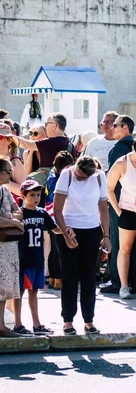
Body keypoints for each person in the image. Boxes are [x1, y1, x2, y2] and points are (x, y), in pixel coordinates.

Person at [53, 156, 110, 335]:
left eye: (82, 177)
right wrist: (65, 232)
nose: (78, 177)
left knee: (89, 278)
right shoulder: (66, 175)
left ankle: (89, 320)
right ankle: (68, 320)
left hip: (91, 230)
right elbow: (57, 210)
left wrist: (106, 235)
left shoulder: (100, 177)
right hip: (69, 228)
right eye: (77, 173)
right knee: (69, 276)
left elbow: (103, 208)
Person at [106, 132, 136, 299]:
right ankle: (123, 286)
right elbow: (109, 188)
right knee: (125, 249)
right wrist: (118, 211)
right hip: (127, 209)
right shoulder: (121, 163)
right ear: (133, 149)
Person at [12, 180, 61, 336]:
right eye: (32, 195)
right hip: (23, 259)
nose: (35, 198)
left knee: (34, 291)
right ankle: (18, 323)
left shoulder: (42, 213)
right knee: (19, 292)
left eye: (38, 195)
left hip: (38, 259)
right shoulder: (20, 214)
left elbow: (55, 229)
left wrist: (68, 230)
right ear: (23, 196)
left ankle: (36, 324)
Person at [101, 114, 136, 295]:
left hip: (120, 204)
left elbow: (112, 184)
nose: (111, 128)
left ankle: (117, 281)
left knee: (118, 242)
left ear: (125, 128)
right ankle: (135, 282)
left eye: (115, 125)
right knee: (135, 246)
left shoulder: (118, 150)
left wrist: (115, 207)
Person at [0, 158, 24, 338]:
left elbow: (19, 211)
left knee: (4, 290)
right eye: (8, 171)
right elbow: (15, 218)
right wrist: (13, 222)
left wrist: (11, 219)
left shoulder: (5, 191)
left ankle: (1, 326)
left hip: (9, 247)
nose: (10, 175)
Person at [44, 151, 75, 290]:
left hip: (50, 215)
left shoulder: (51, 175)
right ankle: (58, 279)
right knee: (59, 249)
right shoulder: (59, 179)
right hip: (59, 216)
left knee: (54, 249)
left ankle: (52, 278)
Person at [0, 123, 26, 198]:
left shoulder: (15, 162)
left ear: (9, 141)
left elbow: (22, 191)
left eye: (0, 137)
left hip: (8, 207)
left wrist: (4, 180)